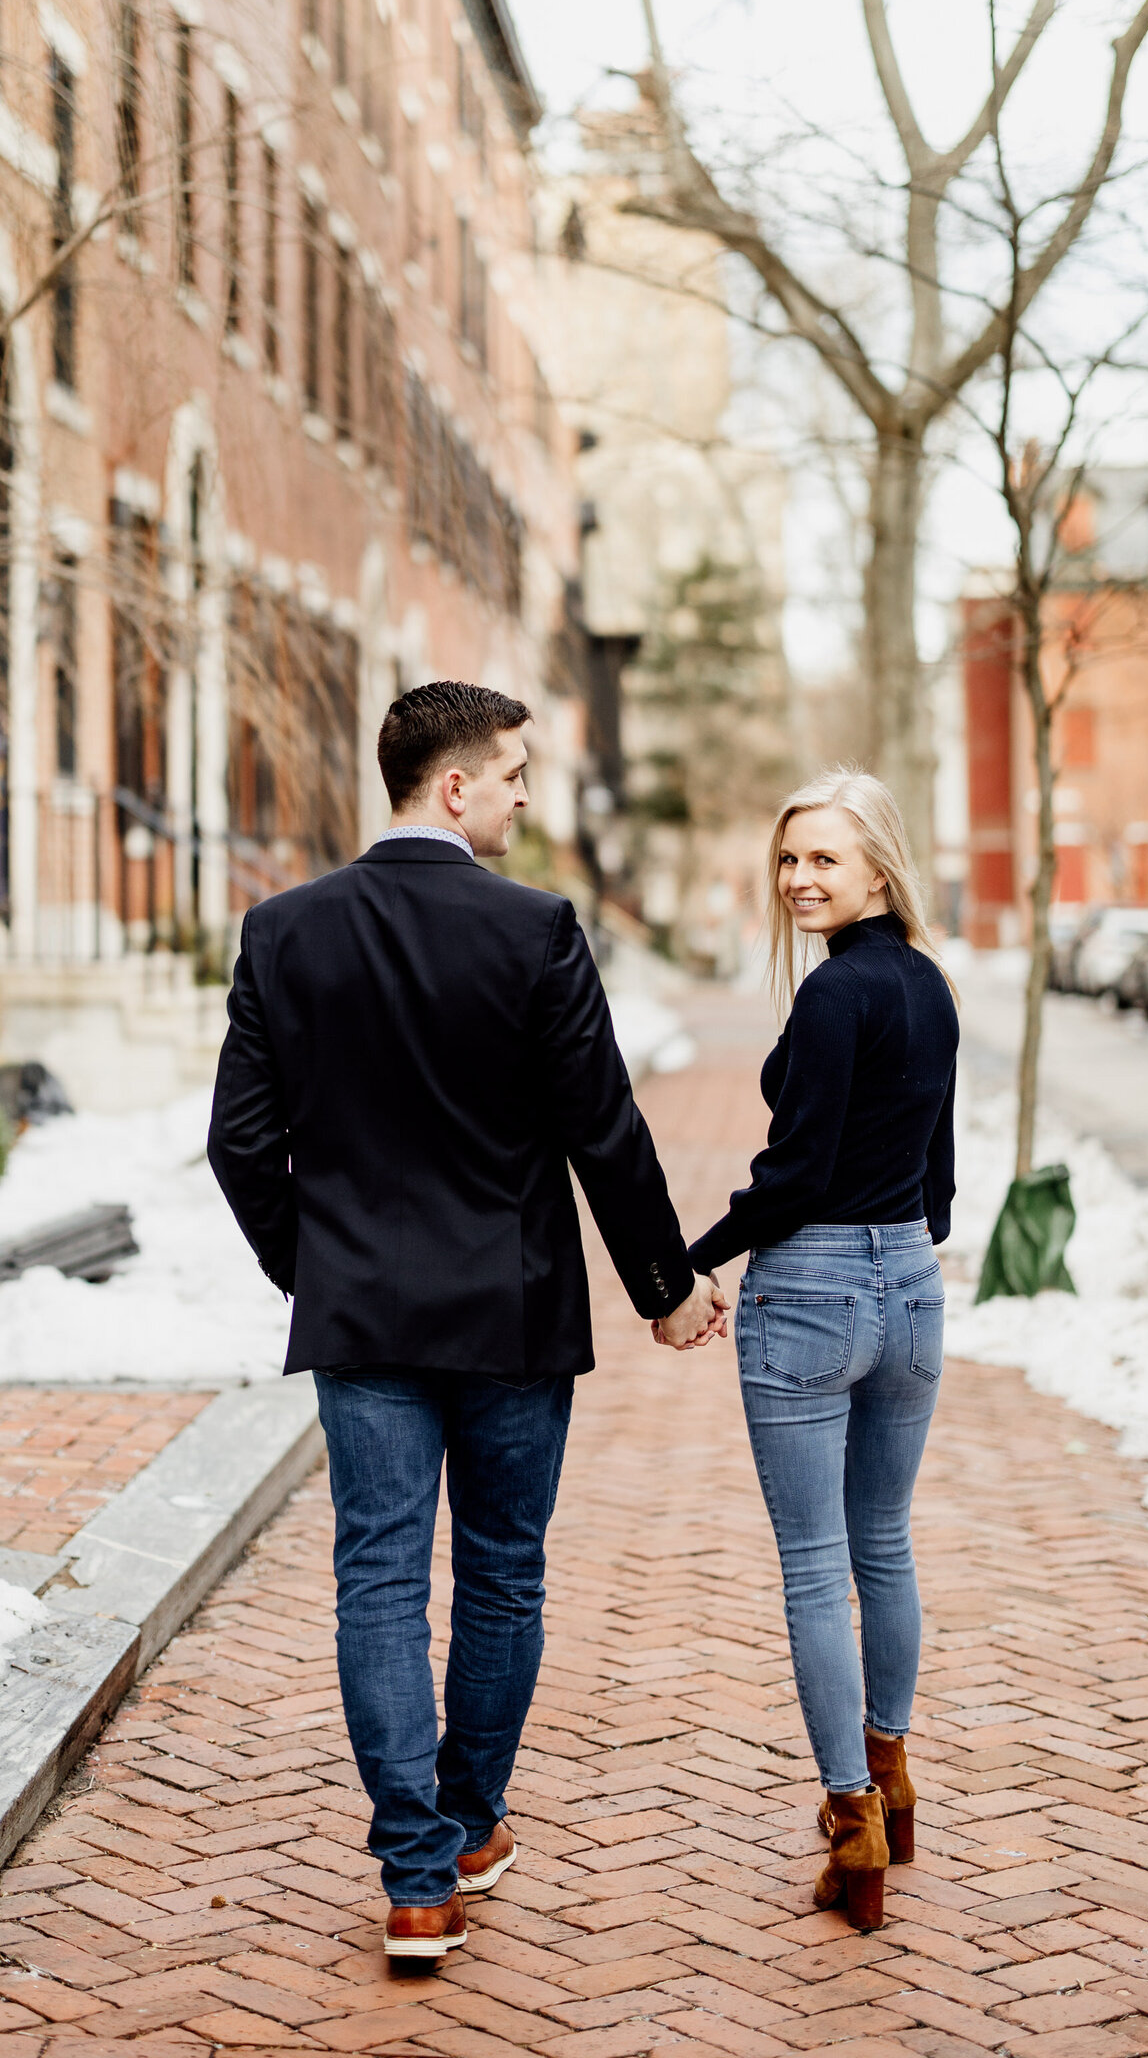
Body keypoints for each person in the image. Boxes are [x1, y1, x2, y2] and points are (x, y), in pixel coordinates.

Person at [208, 681, 723, 1961]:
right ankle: (469, 1818)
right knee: (501, 1574)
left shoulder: (283, 932)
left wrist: (316, 1266)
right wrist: (665, 1288)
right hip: (510, 1311)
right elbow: (602, 1127)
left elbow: (237, 1144)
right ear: (455, 787)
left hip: (364, 1321)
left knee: (377, 1583)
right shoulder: (534, 929)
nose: (524, 796)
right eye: (511, 775)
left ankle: (416, 1874)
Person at [686, 768, 957, 1934]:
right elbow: (937, 1174)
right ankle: (890, 1779)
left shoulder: (834, 997)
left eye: (825, 861)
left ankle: (850, 1819)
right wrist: (896, 1245)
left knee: (814, 1566)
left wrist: (686, 1262)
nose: (800, 879)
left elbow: (790, 1176)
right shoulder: (931, 987)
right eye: (789, 860)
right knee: (882, 1542)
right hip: (909, 1287)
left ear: (879, 870)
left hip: (810, 1290)